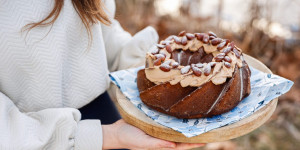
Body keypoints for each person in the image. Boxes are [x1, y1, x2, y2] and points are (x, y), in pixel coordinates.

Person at [0, 0, 205, 149]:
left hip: (104, 117)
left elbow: (98, 29)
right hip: (33, 138)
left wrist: (153, 71)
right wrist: (105, 136)